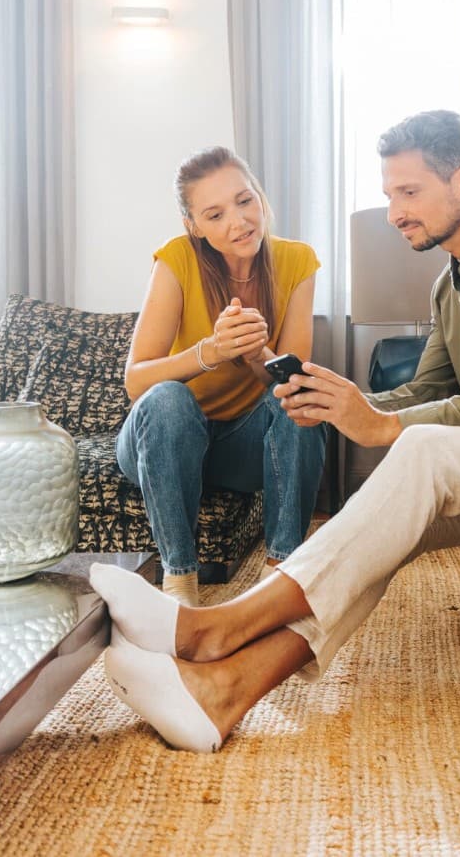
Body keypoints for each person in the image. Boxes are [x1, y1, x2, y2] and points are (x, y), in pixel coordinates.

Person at [92, 111, 460, 751]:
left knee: (422, 450)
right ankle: (224, 691)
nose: (394, 213)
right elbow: (425, 390)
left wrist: (384, 424)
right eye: (389, 195)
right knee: (386, 523)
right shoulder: (450, 284)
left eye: (409, 192)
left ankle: (212, 631)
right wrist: (342, 403)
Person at [116, 145, 326, 607]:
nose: (239, 222)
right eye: (215, 215)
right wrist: (211, 351)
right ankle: (179, 583)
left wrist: (254, 353)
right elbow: (136, 382)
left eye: (244, 200)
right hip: (161, 442)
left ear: (259, 195)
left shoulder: (297, 262)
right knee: (168, 398)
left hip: (238, 449)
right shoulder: (176, 258)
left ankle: (281, 575)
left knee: (298, 401)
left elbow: (288, 383)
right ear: (193, 225)